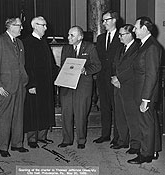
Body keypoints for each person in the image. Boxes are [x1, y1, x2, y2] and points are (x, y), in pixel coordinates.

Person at [0, 17, 29, 157]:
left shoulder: (19, 42)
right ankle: (3, 147)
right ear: (11, 26)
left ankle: (17, 144)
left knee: (19, 116)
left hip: (20, 85)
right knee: (5, 117)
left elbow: (22, 64)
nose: (22, 28)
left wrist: (25, 81)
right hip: (5, 86)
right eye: (19, 25)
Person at [58, 26, 101, 149]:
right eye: (68, 35)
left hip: (83, 86)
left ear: (80, 37)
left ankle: (81, 140)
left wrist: (85, 70)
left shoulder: (90, 47)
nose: (68, 37)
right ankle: (67, 139)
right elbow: (63, 66)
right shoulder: (65, 48)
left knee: (81, 113)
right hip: (67, 86)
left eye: (72, 35)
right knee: (66, 113)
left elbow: (97, 66)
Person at [128, 16, 162, 164]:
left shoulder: (152, 46)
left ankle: (146, 154)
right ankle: (153, 151)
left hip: (146, 93)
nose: (133, 30)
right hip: (142, 91)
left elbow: (152, 75)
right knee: (150, 121)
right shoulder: (145, 44)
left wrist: (145, 99)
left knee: (145, 124)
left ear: (144, 29)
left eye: (136, 27)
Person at [22, 16, 59, 148]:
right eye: (43, 25)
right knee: (33, 110)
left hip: (46, 82)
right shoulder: (27, 42)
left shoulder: (44, 42)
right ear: (35, 26)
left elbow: (51, 64)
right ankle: (32, 139)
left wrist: (60, 74)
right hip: (35, 84)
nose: (46, 28)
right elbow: (26, 66)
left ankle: (42, 136)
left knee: (45, 108)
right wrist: (31, 84)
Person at [110, 24, 141, 154]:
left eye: (122, 34)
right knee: (120, 115)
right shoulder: (120, 48)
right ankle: (122, 141)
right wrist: (113, 77)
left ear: (130, 35)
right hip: (117, 86)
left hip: (129, 87)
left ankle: (135, 144)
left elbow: (133, 68)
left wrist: (119, 79)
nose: (119, 37)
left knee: (132, 117)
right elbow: (115, 64)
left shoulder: (138, 48)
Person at [93, 10, 122, 145]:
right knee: (104, 107)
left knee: (117, 108)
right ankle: (105, 135)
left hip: (116, 78)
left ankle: (118, 137)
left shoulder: (122, 36)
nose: (103, 23)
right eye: (103, 21)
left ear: (114, 20)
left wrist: (118, 76)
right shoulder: (100, 38)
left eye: (106, 20)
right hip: (102, 78)